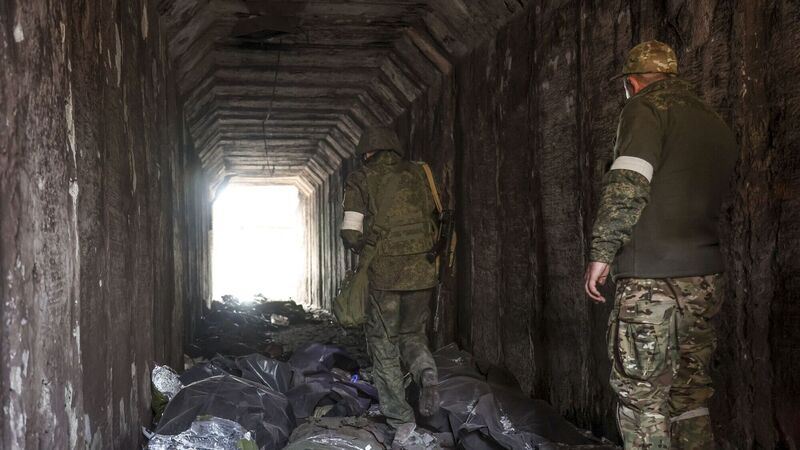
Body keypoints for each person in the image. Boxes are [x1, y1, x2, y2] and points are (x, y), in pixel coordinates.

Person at [584, 41, 738, 449]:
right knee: (691, 394)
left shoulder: (644, 109)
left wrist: (602, 251)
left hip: (652, 279)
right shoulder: (713, 121)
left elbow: (628, 184)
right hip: (704, 278)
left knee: (642, 396)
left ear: (632, 83)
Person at [340, 126, 440, 448]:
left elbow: (351, 232)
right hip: (423, 271)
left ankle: (401, 419)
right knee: (413, 334)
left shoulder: (360, 178)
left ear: (367, 152)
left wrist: (364, 249)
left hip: (385, 275)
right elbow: (434, 215)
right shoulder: (420, 173)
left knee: (383, 343)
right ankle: (426, 372)